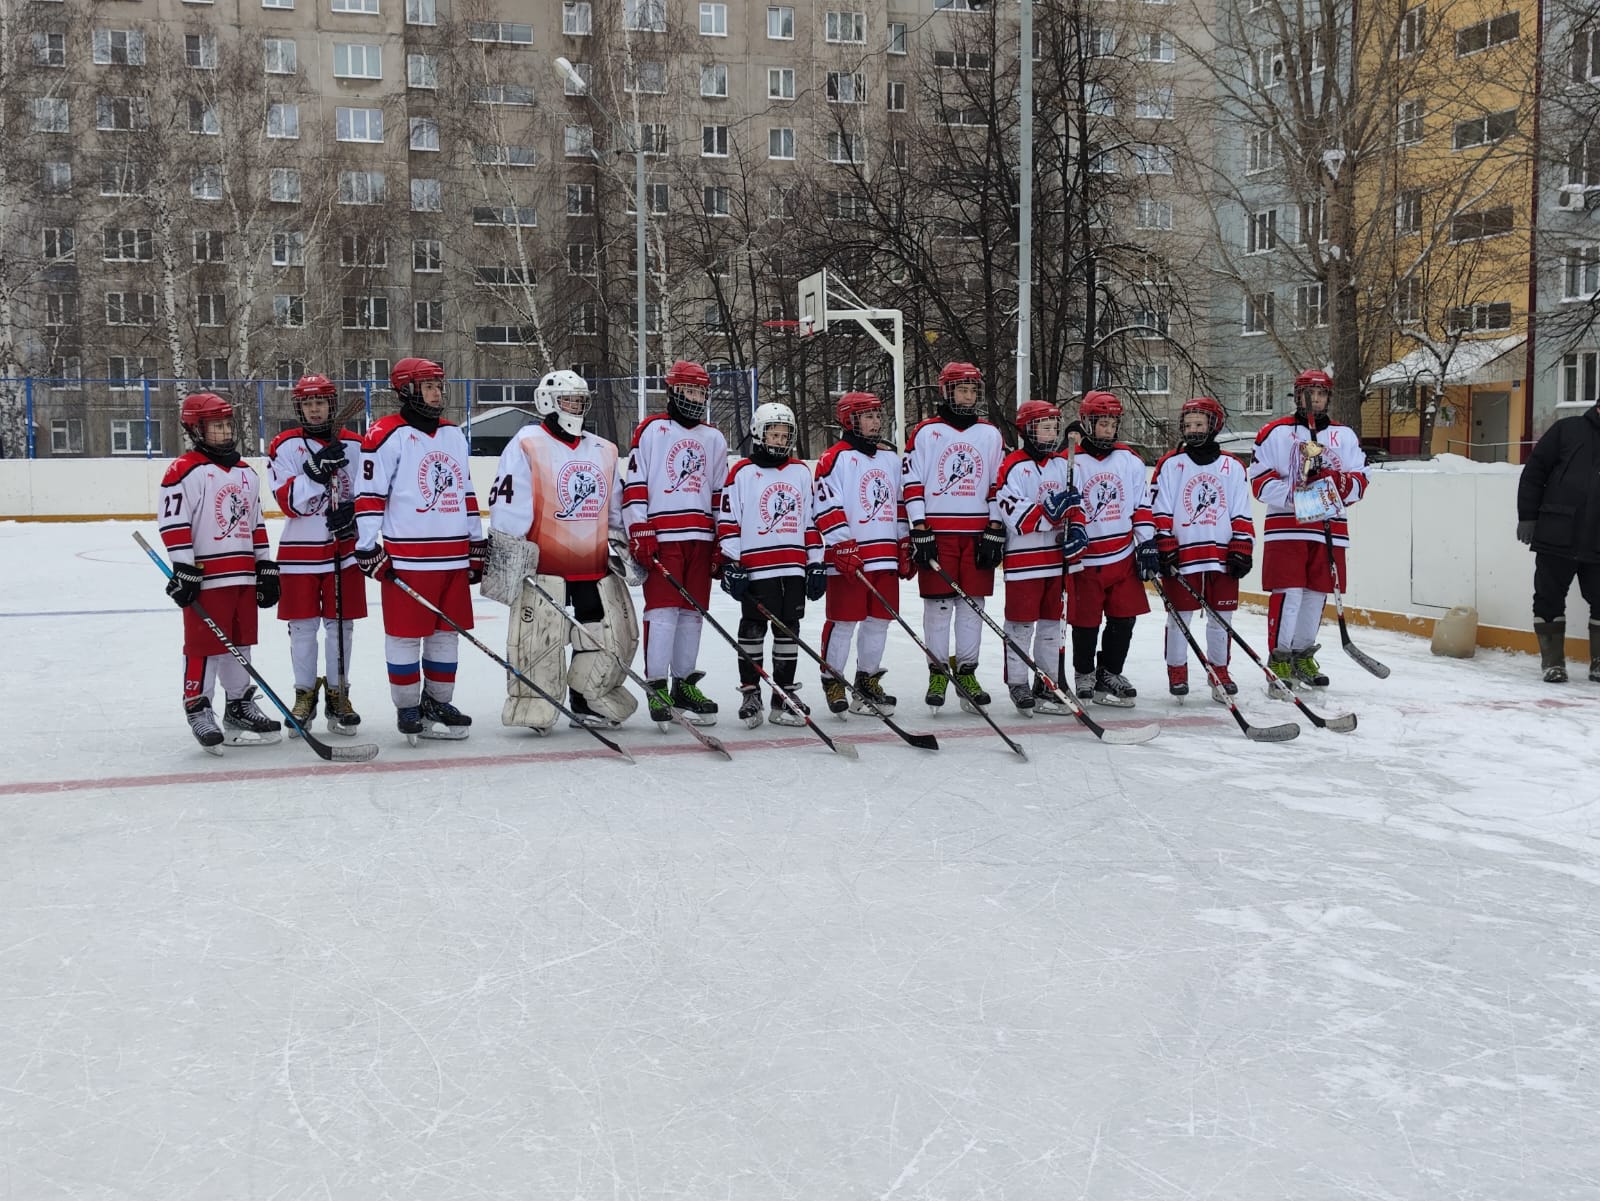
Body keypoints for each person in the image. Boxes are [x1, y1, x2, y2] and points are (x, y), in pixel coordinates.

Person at [487, 369, 637, 731]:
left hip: (592, 565)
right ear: (547, 402)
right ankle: (535, 705)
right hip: (545, 567)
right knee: (541, 639)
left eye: (581, 401)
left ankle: (587, 701)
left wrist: (625, 544)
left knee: (597, 635)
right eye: (569, 400)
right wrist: (511, 550)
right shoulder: (527, 442)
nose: (576, 407)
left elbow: (615, 507)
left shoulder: (603, 448)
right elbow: (509, 503)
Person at [353, 357, 485, 742]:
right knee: (405, 635)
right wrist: (366, 547)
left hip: (453, 556)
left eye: (439, 386)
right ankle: (408, 707)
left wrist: (476, 543)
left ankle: (438, 702)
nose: (437, 393)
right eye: (428, 386)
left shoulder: (452, 435)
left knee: (447, 633)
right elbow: (370, 495)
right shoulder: (384, 434)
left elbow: (465, 492)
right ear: (407, 390)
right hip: (407, 558)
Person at [159, 391, 282, 751]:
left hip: (242, 572)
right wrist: (184, 568)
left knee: (239, 641)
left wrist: (265, 565)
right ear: (196, 430)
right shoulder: (184, 470)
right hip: (205, 576)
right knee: (204, 644)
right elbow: (173, 523)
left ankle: (239, 703)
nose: (225, 431)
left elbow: (255, 522)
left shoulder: (246, 473)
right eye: (216, 426)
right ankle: (197, 704)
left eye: (228, 424)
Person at [1247, 368, 1368, 691]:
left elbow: (1359, 482)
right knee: (1289, 592)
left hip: (1330, 529)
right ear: (1297, 395)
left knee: (1316, 593)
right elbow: (1259, 482)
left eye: (1321, 394)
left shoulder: (1344, 436)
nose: (1315, 399)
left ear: (1328, 397)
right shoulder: (1276, 432)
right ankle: (1280, 658)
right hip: (1288, 528)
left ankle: (1301, 653)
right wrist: (1302, 491)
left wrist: (1333, 481)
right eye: (1309, 393)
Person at [621, 359, 727, 726]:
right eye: (690, 391)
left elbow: (718, 492)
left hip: (700, 538)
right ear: (673, 391)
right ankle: (656, 686)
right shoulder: (651, 430)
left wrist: (721, 539)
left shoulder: (713, 437)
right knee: (663, 613)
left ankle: (683, 683)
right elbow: (635, 484)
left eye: (701, 391)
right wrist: (640, 529)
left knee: (692, 615)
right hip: (664, 537)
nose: (696, 398)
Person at [901, 361, 1006, 712]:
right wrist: (919, 526)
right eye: (962, 389)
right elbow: (912, 482)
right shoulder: (926, 432)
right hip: (938, 532)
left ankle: (967, 671)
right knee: (939, 605)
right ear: (946, 391)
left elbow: (997, 483)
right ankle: (937, 671)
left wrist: (995, 526)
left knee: (972, 606)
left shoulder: (990, 434)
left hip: (976, 533)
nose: (969, 395)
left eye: (973, 389)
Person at [267, 373, 366, 735]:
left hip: (344, 549)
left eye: (320, 402)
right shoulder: (284, 445)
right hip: (299, 553)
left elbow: (370, 495)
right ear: (299, 407)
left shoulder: (357, 444)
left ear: (331, 405)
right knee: (303, 628)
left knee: (342, 626)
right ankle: (304, 693)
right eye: (307, 403)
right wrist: (313, 472)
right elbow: (288, 503)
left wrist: (351, 515)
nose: (313, 409)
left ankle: (339, 694)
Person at [718, 401, 824, 727]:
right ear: (758, 434)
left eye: (784, 435)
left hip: (792, 567)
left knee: (788, 630)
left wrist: (816, 563)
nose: (779, 440)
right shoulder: (741, 472)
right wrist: (732, 562)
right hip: (756, 567)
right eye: (773, 434)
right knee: (752, 629)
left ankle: (783, 696)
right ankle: (751, 692)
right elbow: (727, 520)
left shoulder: (800, 472)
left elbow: (811, 521)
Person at [813, 392, 912, 714]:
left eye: (877, 415)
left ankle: (867, 680)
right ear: (849, 420)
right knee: (844, 621)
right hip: (849, 556)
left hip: (883, 554)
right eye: (867, 416)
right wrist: (841, 543)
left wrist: (904, 542)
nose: (876, 422)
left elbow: (898, 506)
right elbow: (825, 505)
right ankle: (833, 679)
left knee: (879, 621)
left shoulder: (889, 460)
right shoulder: (834, 458)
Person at [1150, 396, 1255, 701]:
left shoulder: (1232, 466)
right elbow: (1160, 507)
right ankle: (1177, 669)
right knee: (1179, 615)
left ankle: (1219, 670)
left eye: (1199, 424)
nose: (1193, 429)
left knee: (1222, 617)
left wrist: (1242, 545)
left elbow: (1241, 510)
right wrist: (1164, 543)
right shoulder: (1171, 464)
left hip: (1222, 554)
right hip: (1184, 554)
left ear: (1214, 425)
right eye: (1188, 424)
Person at [993, 401, 1087, 714]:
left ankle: (1048, 683)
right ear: (1027, 429)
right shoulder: (1013, 466)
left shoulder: (1063, 465)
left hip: (1056, 560)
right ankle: (1018, 682)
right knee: (1020, 625)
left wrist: (1077, 530)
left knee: (1051, 626)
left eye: (1053, 426)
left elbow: (1077, 504)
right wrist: (1051, 513)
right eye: (1044, 427)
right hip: (1024, 561)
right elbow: (1014, 516)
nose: (1051, 432)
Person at [1066, 390, 1157, 707]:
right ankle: (1084, 672)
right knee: (1086, 620)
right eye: (1102, 423)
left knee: (1124, 618)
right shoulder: (1072, 461)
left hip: (1121, 556)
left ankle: (1110, 671)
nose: (1108, 429)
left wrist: (1147, 543)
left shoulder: (1130, 459)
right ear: (1088, 423)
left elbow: (1141, 505)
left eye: (1112, 423)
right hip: (1086, 559)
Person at [1517, 397, 1600, 683]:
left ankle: (1599, 663)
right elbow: (1534, 472)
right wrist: (1527, 516)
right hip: (1557, 533)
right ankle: (1553, 663)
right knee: (1549, 598)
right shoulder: (1567, 430)